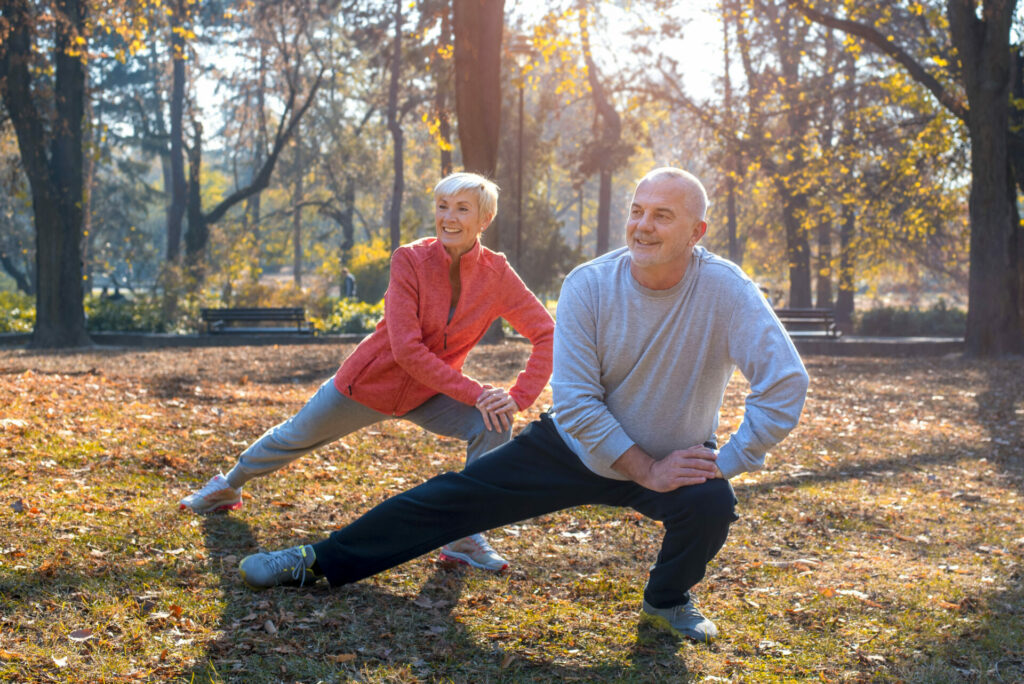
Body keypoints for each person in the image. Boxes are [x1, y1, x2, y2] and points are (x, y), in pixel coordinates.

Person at [235, 167, 809, 643]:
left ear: (697, 230)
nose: (642, 225)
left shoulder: (726, 289)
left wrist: (724, 461)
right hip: (574, 448)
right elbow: (579, 403)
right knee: (450, 500)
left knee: (711, 505)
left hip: (674, 455)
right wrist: (645, 469)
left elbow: (784, 382)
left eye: (663, 215)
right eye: (637, 210)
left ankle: (666, 600)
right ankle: (317, 560)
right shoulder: (590, 285)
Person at [180, 172, 555, 572]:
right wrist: (476, 391)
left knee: (494, 422)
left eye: (462, 209)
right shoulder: (410, 259)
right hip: (369, 385)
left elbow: (547, 333)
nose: (448, 217)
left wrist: (516, 397)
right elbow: (407, 351)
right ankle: (228, 485)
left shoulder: (496, 274)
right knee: (293, 436)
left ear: (484, 220)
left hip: (430, 394)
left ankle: (463, 533)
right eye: (442, 206)